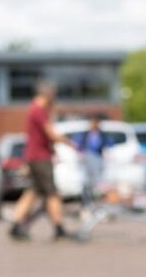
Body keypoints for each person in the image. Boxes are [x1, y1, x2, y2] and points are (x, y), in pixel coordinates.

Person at [9, 80, 77, 241]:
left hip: (34, 156)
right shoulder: (39, 110)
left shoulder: (35, 109)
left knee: (32, 192)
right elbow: (50, 133)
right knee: (52, 194)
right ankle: (59, 227)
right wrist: (68, 142)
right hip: (40, 158)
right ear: (47, 94)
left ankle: (16, 224)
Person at [72, 114, 111, 208]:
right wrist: (80, 153)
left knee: (98, 181)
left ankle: (99, 203)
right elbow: (80, 145)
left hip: (97, 159)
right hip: (88, 159)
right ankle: (87, 202)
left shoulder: (102, 134)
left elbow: (107, 145)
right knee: (87, 182)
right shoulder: (86, 134)